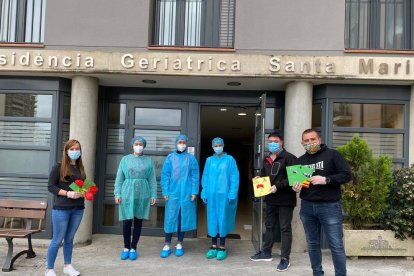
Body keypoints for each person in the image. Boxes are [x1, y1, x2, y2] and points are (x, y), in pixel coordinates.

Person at [292, 129, 351, 276]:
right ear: (302, 143)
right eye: (306, 141)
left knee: (336, 245)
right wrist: (295, 187)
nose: (310, 143)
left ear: (319, 140)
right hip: (307, 207)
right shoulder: (300, 161)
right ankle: (317, 273)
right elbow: (297, 185)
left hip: (329, 206)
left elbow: (347, 175)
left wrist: (327, 179)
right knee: (312, 244)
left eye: (313, 139)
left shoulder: (332, 155)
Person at [250, 133, 298, 272]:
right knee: (269, 226)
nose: (272, 143)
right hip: (270, 199)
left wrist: (278, 186)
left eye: (275, 141)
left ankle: (285, 258)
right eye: (270, 141)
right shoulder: (266, 159)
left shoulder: (290, 158)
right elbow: (266, 177)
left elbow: (294, 178)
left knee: (285, 228)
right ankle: (266, 252)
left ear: (281, 142)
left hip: (285, 199)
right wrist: (259, 179)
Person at [45, 139, 86, 276]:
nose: (75, 151)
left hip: (78, 208)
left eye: (77, 149)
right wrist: (68, 193)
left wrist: (86, 191)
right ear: (66, 151)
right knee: (57, 239)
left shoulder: (80, 168)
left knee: (69, 239)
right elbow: (51, 187)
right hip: (61, 209)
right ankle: (49, 269)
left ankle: (67, 266)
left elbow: (83, 186)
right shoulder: (59, 167)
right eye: (72, 149)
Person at [114, 136, 157, 261]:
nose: (138, 146)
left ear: (143, 146)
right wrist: (117, 194)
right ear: (132, 145)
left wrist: (153, 194)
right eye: (136, 143)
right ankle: (126, 247)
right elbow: (119, 178)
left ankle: (134, 247)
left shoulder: (148, 161)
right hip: (127, 192)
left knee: (138, 221)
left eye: (140, 144)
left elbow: (152, 179)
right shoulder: (125, 160)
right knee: (127, 221)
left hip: (143, 193)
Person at [160, 134, 200, 258]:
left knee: (182, 218)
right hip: (173, 192)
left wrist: (194, 192)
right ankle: (167, 244)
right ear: (176, 143)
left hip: (187, 193)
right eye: (180, 142)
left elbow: (195, 176)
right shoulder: (170, 158)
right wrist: (165, 191)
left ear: (186, 144)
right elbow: (165, 176)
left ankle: (179, 244)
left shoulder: (191, 159)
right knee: (170, 217)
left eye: (183, 142)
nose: (181, 144)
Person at [201, 137, 239, 261]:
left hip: (224, 196)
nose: (218, 147)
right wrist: (204, 191)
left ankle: (222, 247)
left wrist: (232, 193)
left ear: (223, 145)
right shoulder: (209, 160)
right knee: (212, 219)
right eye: (215, 145)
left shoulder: (229, 160)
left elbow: (234, 177)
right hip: (211, 196)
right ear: (212, 147)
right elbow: (205, 177)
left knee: (222, 220)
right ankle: (213, 246)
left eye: (219, 145)